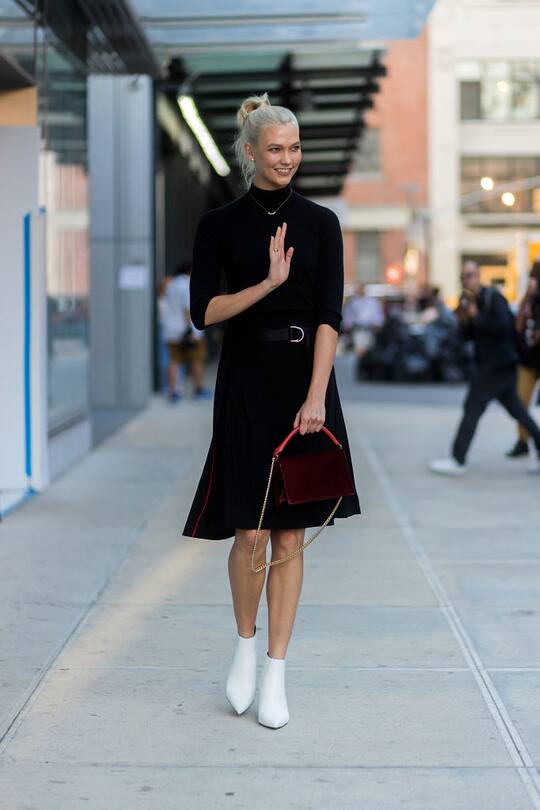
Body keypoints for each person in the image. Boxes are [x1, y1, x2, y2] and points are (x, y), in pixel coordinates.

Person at [182, 92, 360, 729]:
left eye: (295, 148)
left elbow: (330, 316)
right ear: (250, 151)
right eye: (276, 149)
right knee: (248, 531)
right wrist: (267, 284)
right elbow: (203, 314)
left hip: (305, 385)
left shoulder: (321, 223)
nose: (288, 159)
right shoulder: (219, 226)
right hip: (245, 383)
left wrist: (317, 395)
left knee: (289, 533)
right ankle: (244, 645)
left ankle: (277, 672)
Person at [430, 261, 540, 476]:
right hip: (490, 366)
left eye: (470, 275)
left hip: (497, 366)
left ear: (479, 276)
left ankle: (457, 458)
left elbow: (503, 328)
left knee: (472, 407)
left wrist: (476, 317)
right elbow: (468, 337)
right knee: (518, 411)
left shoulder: (493, 297)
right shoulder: (469, 301)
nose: (467, 279)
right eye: (463, 276)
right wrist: (464, 321)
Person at [161, 261, 211, 402]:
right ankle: (199, 389)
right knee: (197, 359)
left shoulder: (171, 284)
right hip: (186, 329)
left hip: (171, 329)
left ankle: (173, 392)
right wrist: (193, 331)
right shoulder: (187, 284)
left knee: (174, 360)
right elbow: (187, 309)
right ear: (190, 271)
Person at [506, 264, 540, 458]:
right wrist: (528, 296)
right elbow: (518, 324)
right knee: (521, 401)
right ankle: (522, 441)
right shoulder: (529, 301)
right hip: (527, 360)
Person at [342, 283, 384, 355]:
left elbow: (377, 315)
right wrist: (347, 325)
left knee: (368, 348)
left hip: (369, 329)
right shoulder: (353, 302)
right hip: (357, 329)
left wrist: (378, 324)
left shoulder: (372, 302)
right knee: (358, 348)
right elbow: (348, 315)